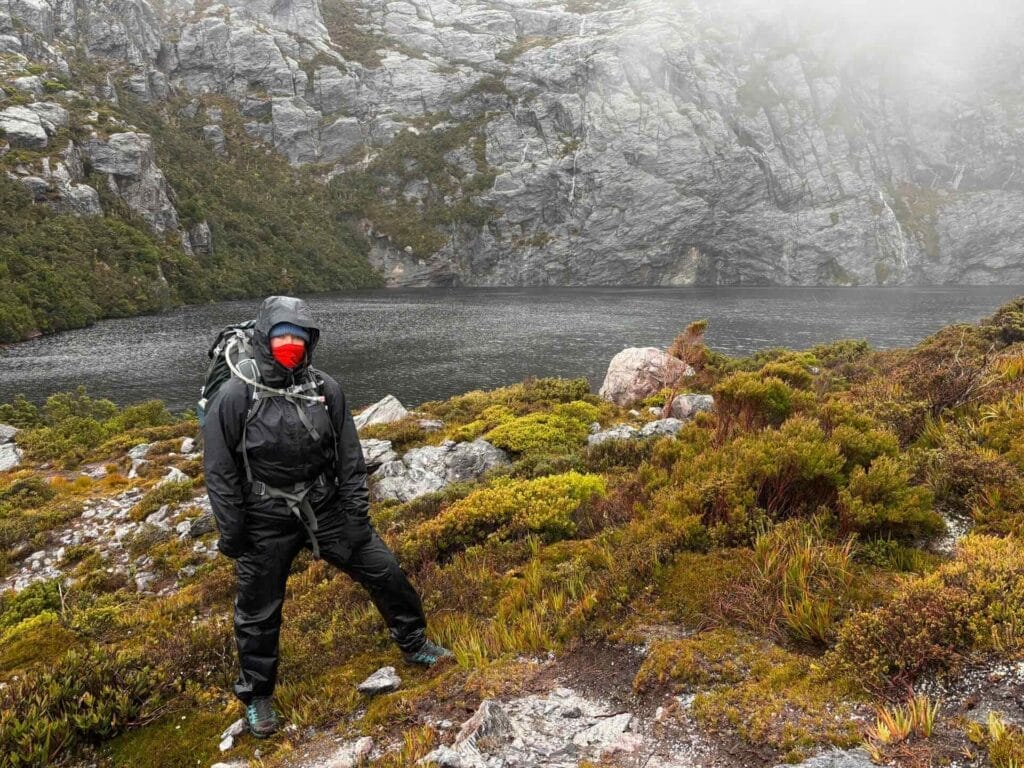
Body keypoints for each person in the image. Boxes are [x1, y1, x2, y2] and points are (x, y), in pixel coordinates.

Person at [202, 295, 452, 738]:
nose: (291, 343)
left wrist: (355, 517)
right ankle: (258, 697)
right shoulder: (236, 393)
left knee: (385, 570)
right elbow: (220, 470)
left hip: (325, 508)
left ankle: (414, 644)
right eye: (282, 335)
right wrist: (233, 532)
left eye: (299, 337)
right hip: (264, 518)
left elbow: (349, 458)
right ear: (265, 337)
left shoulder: (325, 388)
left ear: (310, 341)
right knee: (258, 613)